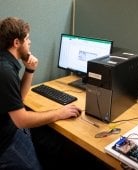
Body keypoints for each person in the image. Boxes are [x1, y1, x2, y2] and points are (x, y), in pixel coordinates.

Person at [0, 17, 81, 170]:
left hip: (10, 127)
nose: (29, 42)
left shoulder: (6, 62)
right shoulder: (4, 71)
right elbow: (21, 120)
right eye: (27, 39)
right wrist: (60, 113)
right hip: (6, 142)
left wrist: (29, 70)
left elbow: (19, 98)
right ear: (17, 43)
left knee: (54, 145)